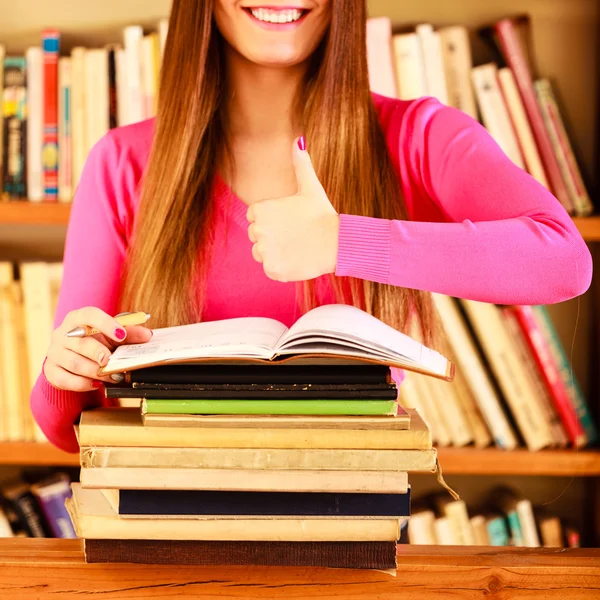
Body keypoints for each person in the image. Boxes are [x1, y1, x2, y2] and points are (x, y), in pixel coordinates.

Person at [32, 0, 593, 453]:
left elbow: (563, 261)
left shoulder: (418, 136)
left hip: (353, 522)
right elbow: (62, 431)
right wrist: (68, 372)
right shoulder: (123, 161)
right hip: (172, 512)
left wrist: (344, 241)